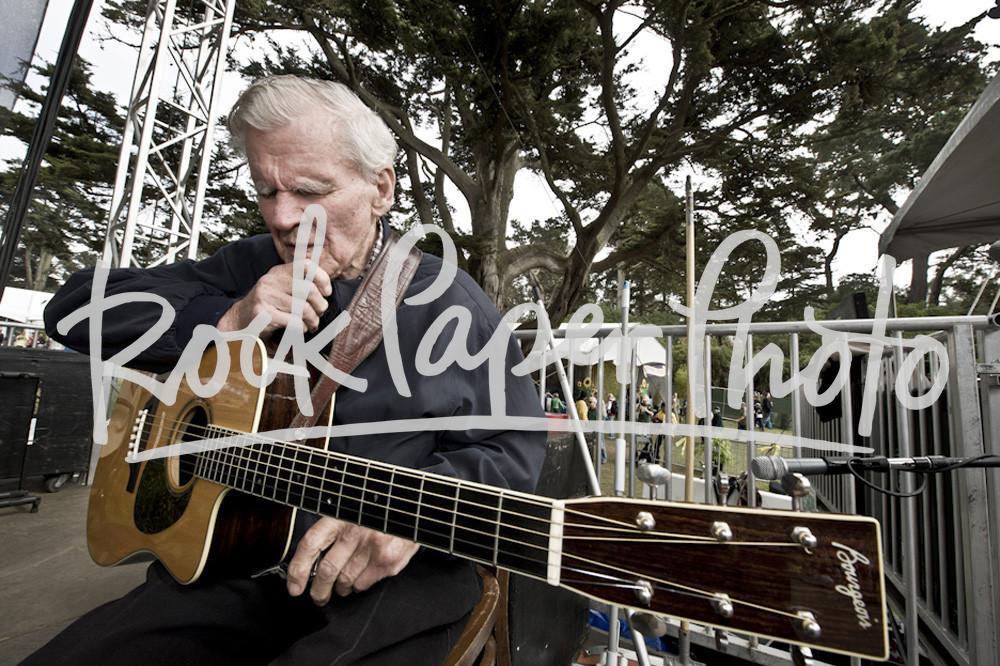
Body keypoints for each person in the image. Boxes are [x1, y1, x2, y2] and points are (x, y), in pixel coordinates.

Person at [30, 75, 546, 665]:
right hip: (234, 558)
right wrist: (226, 314)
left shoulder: (453, 302)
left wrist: (405, 523)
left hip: (392, 574)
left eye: (308, 190)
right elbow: (72, 310)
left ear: (381, 188)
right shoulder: (247, 264)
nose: (282, 217)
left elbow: (513, 446)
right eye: (265, 191)